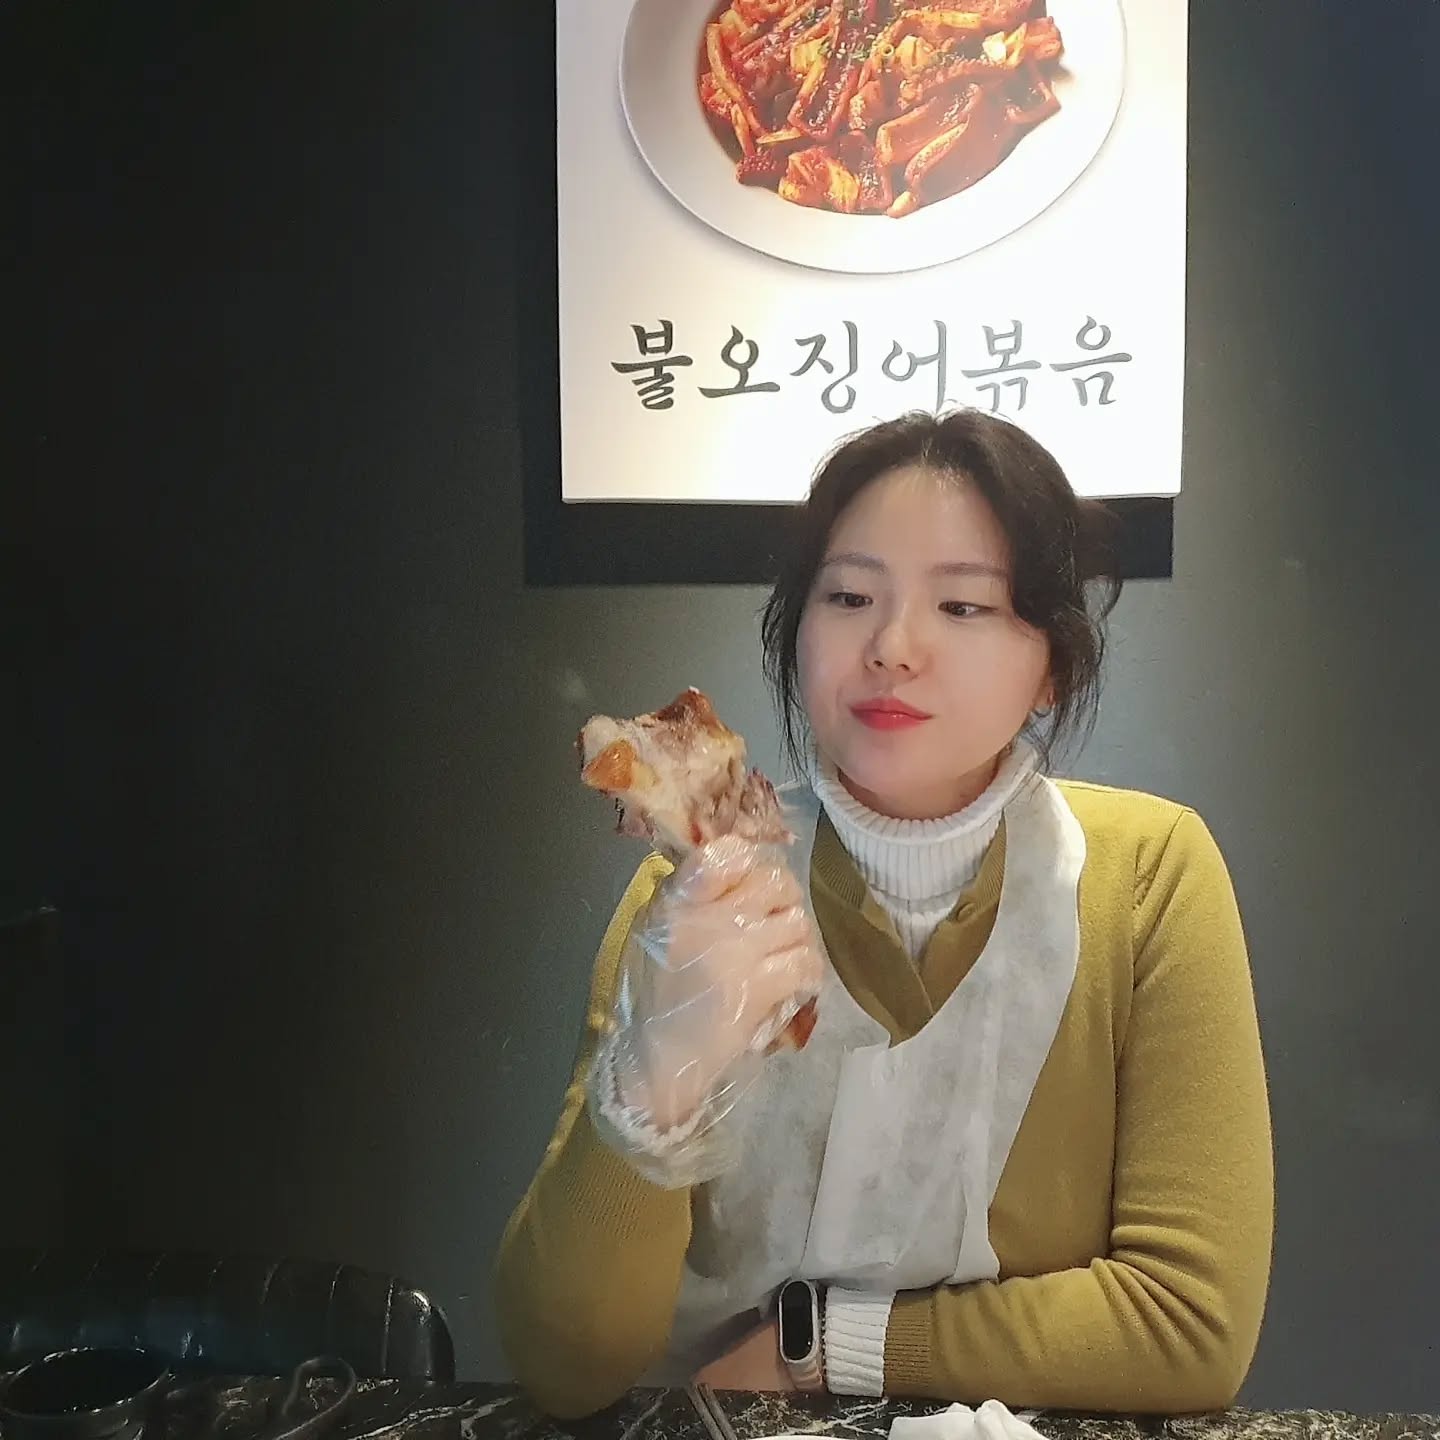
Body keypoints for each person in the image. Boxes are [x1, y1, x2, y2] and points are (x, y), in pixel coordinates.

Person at [494, 410, 1273, 1418]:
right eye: (850, 596)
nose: (893, 647)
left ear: (1052, 666)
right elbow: (566, 1367)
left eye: (964, 605)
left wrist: (825, 1348)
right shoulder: (694, 896)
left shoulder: (1149, 878)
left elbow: (1189, 1325)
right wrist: (656, 1083)